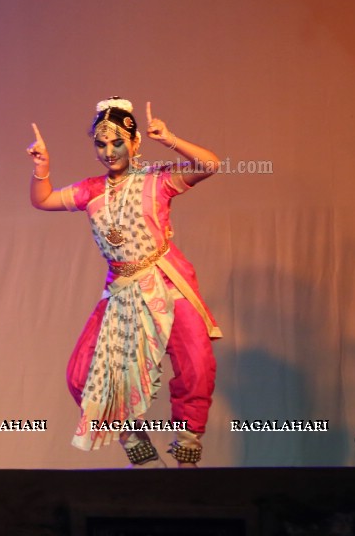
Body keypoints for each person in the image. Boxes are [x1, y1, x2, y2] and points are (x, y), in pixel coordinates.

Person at [27, 98, 222, 467]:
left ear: (135, 144)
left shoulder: (157, 180)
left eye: (117, 143)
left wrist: (171, 138)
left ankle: (188, 445)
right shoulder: (90, 189)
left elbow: (210, 164)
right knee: (82, 374)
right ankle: (133, 439)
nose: (109, 151)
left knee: (196, 361)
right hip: (122, 288)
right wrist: (42, 168)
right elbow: (44, 200)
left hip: (167, 279)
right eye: (101, 144)